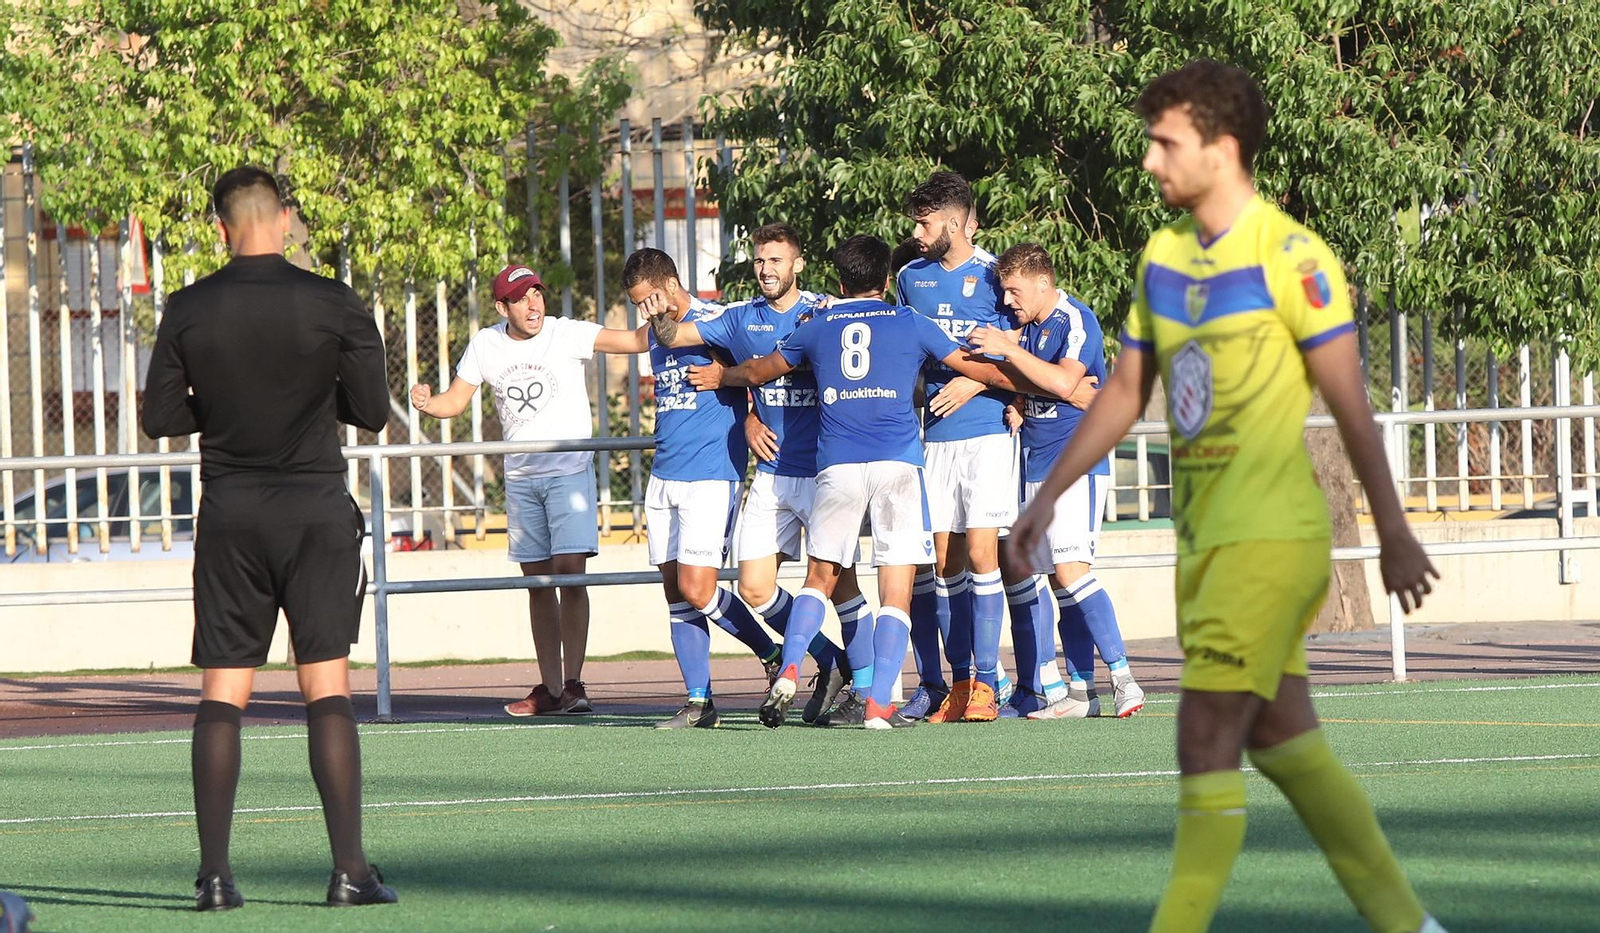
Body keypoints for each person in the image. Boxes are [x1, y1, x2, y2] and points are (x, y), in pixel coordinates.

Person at [1005, 61, 1446, 933]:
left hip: (1271, 541)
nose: (1147, 161)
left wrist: (1393, 528)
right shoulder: (1164, 257)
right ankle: (1410, 925)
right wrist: (1046, 497)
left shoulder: (1292, 257)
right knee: (1286, 742)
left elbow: (1351, 404)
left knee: (1203, 738)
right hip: (1205, 546)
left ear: (1223, 146)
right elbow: (1125, 391)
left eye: (1165, 142)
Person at [141, 166, 397, 910]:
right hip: (315, 511)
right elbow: (374, 410)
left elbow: (160, 417)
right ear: (284, 218)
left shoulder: (189, 307)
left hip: (231, 513)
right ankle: (349, 870)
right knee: (326, 685)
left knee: (223, 691)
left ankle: (216, 877)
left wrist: (221, 410)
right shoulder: (332, 301)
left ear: (222, 227)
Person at [719, 234, 1023, 729]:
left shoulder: (817, 326)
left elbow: (759, 370)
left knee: (819, 579)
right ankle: (880, 703)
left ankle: (791, 664)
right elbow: (973, 366)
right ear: (886, 280)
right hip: (898, 467)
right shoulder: (910, 321)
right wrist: (1030, 384)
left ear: (838, 282)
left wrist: (724, 378)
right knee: (896, 590)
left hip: (836, 465)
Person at [646, 222, 865, 725]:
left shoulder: (825, 311)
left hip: (825, 469)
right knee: (755, 589)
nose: (766, 269)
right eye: (760, 260)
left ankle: (864, 687)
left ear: (798, 264)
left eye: (776, 260)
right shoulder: (740, 317)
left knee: (843, 585)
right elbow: (679, 336)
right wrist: (659, 314)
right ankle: (831, 663)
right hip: (770, 471)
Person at [409, 263, 647, 718]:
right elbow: (453, 402)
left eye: (537, 292)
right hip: (520, 479)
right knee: (538, 583)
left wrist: (661, 313)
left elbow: (634, 341)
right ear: (503, 307)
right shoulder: (486, 343)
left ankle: (574, 684)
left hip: (568, 472)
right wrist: (426, 403)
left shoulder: (566, 332)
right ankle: (551, 688)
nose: (533, 303)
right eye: (521, 298)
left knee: (570, 573)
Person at [970, 243, 1148, 720]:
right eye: (1004, 291)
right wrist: (1020, 395)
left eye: (1015, 290)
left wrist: (1011, 356)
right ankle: (1081, 692)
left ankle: (1125, 679)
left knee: (1073, 572)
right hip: (1037, 465)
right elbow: (1038, 384)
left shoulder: (1075, 319)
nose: (1009, 301)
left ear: (1043, 283)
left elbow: (1067, 383)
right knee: (1057, 581)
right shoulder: (1026, 330)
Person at [624, 248, 781, 728]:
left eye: (648, 300)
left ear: (671, 285)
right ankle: (699, 701)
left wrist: (753, 417)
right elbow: (613, 341)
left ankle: (771, 651)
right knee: (675, 592)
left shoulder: (717, 321)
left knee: (698, 588)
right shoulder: (654, 331)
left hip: (711, 475)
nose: (645, 311)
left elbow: (759, 372)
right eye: (637, 304)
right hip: (664, 474)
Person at [896, 171, 1019, 722]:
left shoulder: (997, 276)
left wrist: (975, 380)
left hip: (989, 431)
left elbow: (1022, 343)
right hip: (935, 438)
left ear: (953, 220)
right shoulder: (910, 277)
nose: (918, 232)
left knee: (982, 553)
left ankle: (989, 683)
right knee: (941, 563)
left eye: (924, 222)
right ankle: (953, 683)